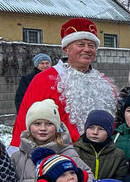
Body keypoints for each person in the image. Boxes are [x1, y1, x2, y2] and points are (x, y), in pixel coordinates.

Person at [13, 18, 117, 148]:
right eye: (80, 44)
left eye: (91, 46)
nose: (87, 49)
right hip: (57, 154)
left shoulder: (104, 83)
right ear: (66, 49)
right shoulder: (45, 79)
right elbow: (26, 119)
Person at [74, 110, 127, 180]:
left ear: (109, 133)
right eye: (91, 127)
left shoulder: (118, 155)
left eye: (101, 129)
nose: (95, 132)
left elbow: (119, 181)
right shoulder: (75, 151)